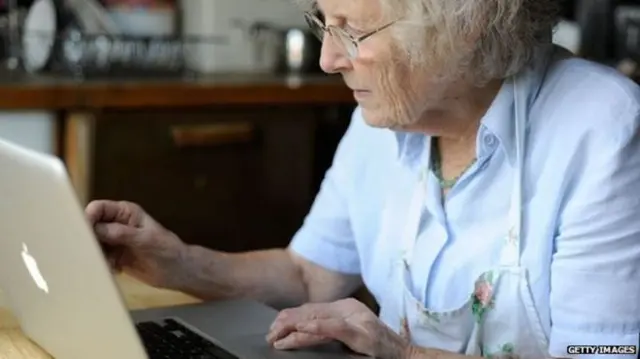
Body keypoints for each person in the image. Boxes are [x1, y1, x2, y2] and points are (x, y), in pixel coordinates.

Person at [85, 0, 640, 357]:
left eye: (352, 31)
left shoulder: (602, 129)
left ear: (465, 26)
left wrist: (398, 354)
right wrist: (179, 262)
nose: (328, 59)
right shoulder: (385, 119)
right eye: (324, 23)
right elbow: (310, 278)